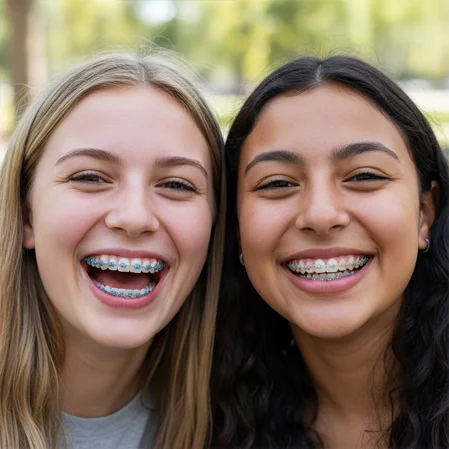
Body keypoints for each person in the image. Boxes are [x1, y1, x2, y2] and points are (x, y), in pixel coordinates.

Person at [212, 55, 448, 449]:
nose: (321, 215)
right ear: (237, 228)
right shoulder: (200, 422)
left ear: (425, 213)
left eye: (364, 176)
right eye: (276, 183)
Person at [0, 52, 225, 449]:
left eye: (177, 185)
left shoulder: (246, 419)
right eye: (90, 177)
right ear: (26, 215)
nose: (135, 217)